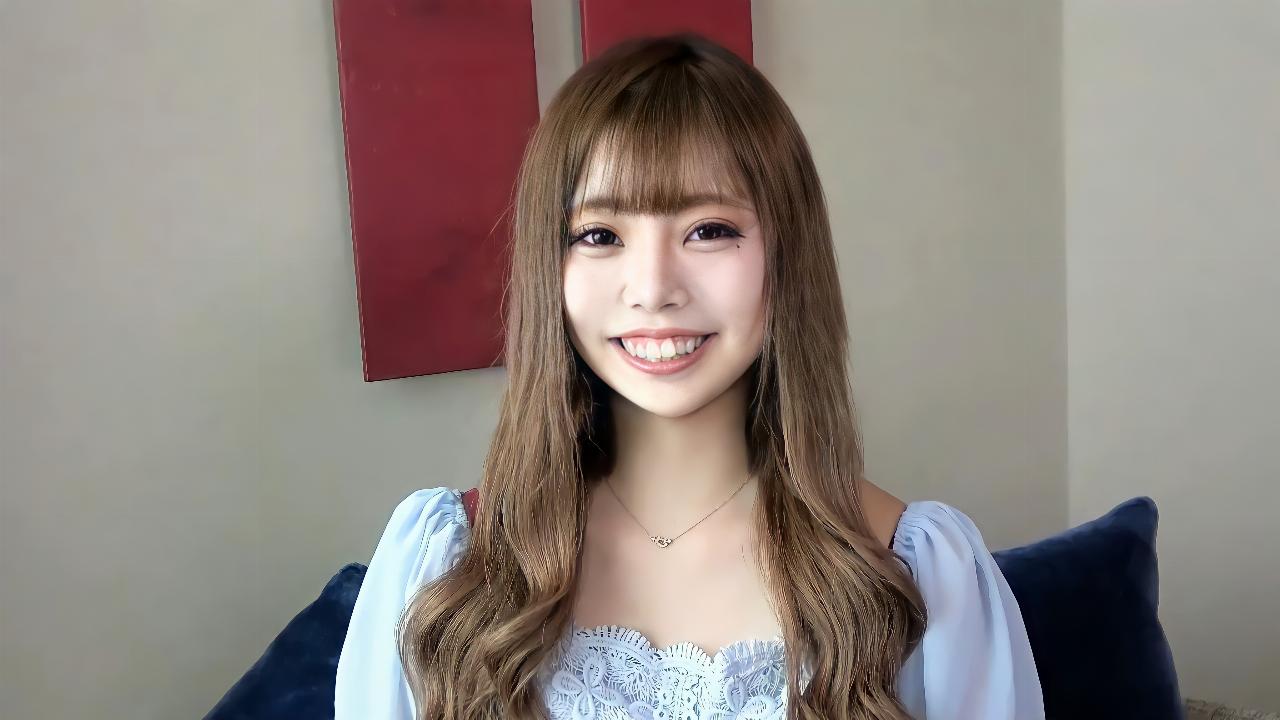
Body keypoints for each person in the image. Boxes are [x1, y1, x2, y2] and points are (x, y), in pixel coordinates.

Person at [335, 33, 1044, 720]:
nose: (653, 289)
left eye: (708, 230)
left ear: (787, 253)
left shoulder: (916, 572)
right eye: (599, 236)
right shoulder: (446, 564)